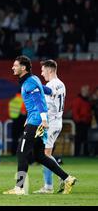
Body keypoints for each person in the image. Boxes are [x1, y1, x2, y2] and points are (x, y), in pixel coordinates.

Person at [3, 55, 76, 195]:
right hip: (37, 121)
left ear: (23, 68)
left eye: (15, 65)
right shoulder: (34, 79)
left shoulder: (29, 82)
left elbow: (39, 101)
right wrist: (52, 91)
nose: (13, 67)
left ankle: (19, 188)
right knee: (40, 156)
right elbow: (43, 90)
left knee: (21, 153)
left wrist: (42, 118)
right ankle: (67, 178)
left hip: (36, 122)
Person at [34, 59, 67, 194]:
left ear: (50, 70)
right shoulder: (62, 84)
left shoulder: (52, 84)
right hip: (57, 122)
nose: (41, 73)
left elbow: (48, 91)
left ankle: (54, 183)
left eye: (42, 70)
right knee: (45, 154)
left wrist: (35, 85)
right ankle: (60, 179)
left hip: (51, 123)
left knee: (44, 155)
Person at [72, 85, 92, 157]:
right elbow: (75, 112)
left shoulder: (87, 100)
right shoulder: (78, 100)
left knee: (86, 139)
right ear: (83, 91)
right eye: (87, 90)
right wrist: (78, 120)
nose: (88, 92)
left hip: (86, 122)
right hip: (80, 123)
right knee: (79, 139)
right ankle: (77, 154)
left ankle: (85, 153)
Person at [8, 91, 27, 155]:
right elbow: (24, 112)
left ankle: (13, 152)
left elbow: (10, 112)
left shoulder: (13, 100)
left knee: (15, 138)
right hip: (22, 120)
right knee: (25, 137)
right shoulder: (23, 100)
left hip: (14, 120)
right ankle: (23, 151)